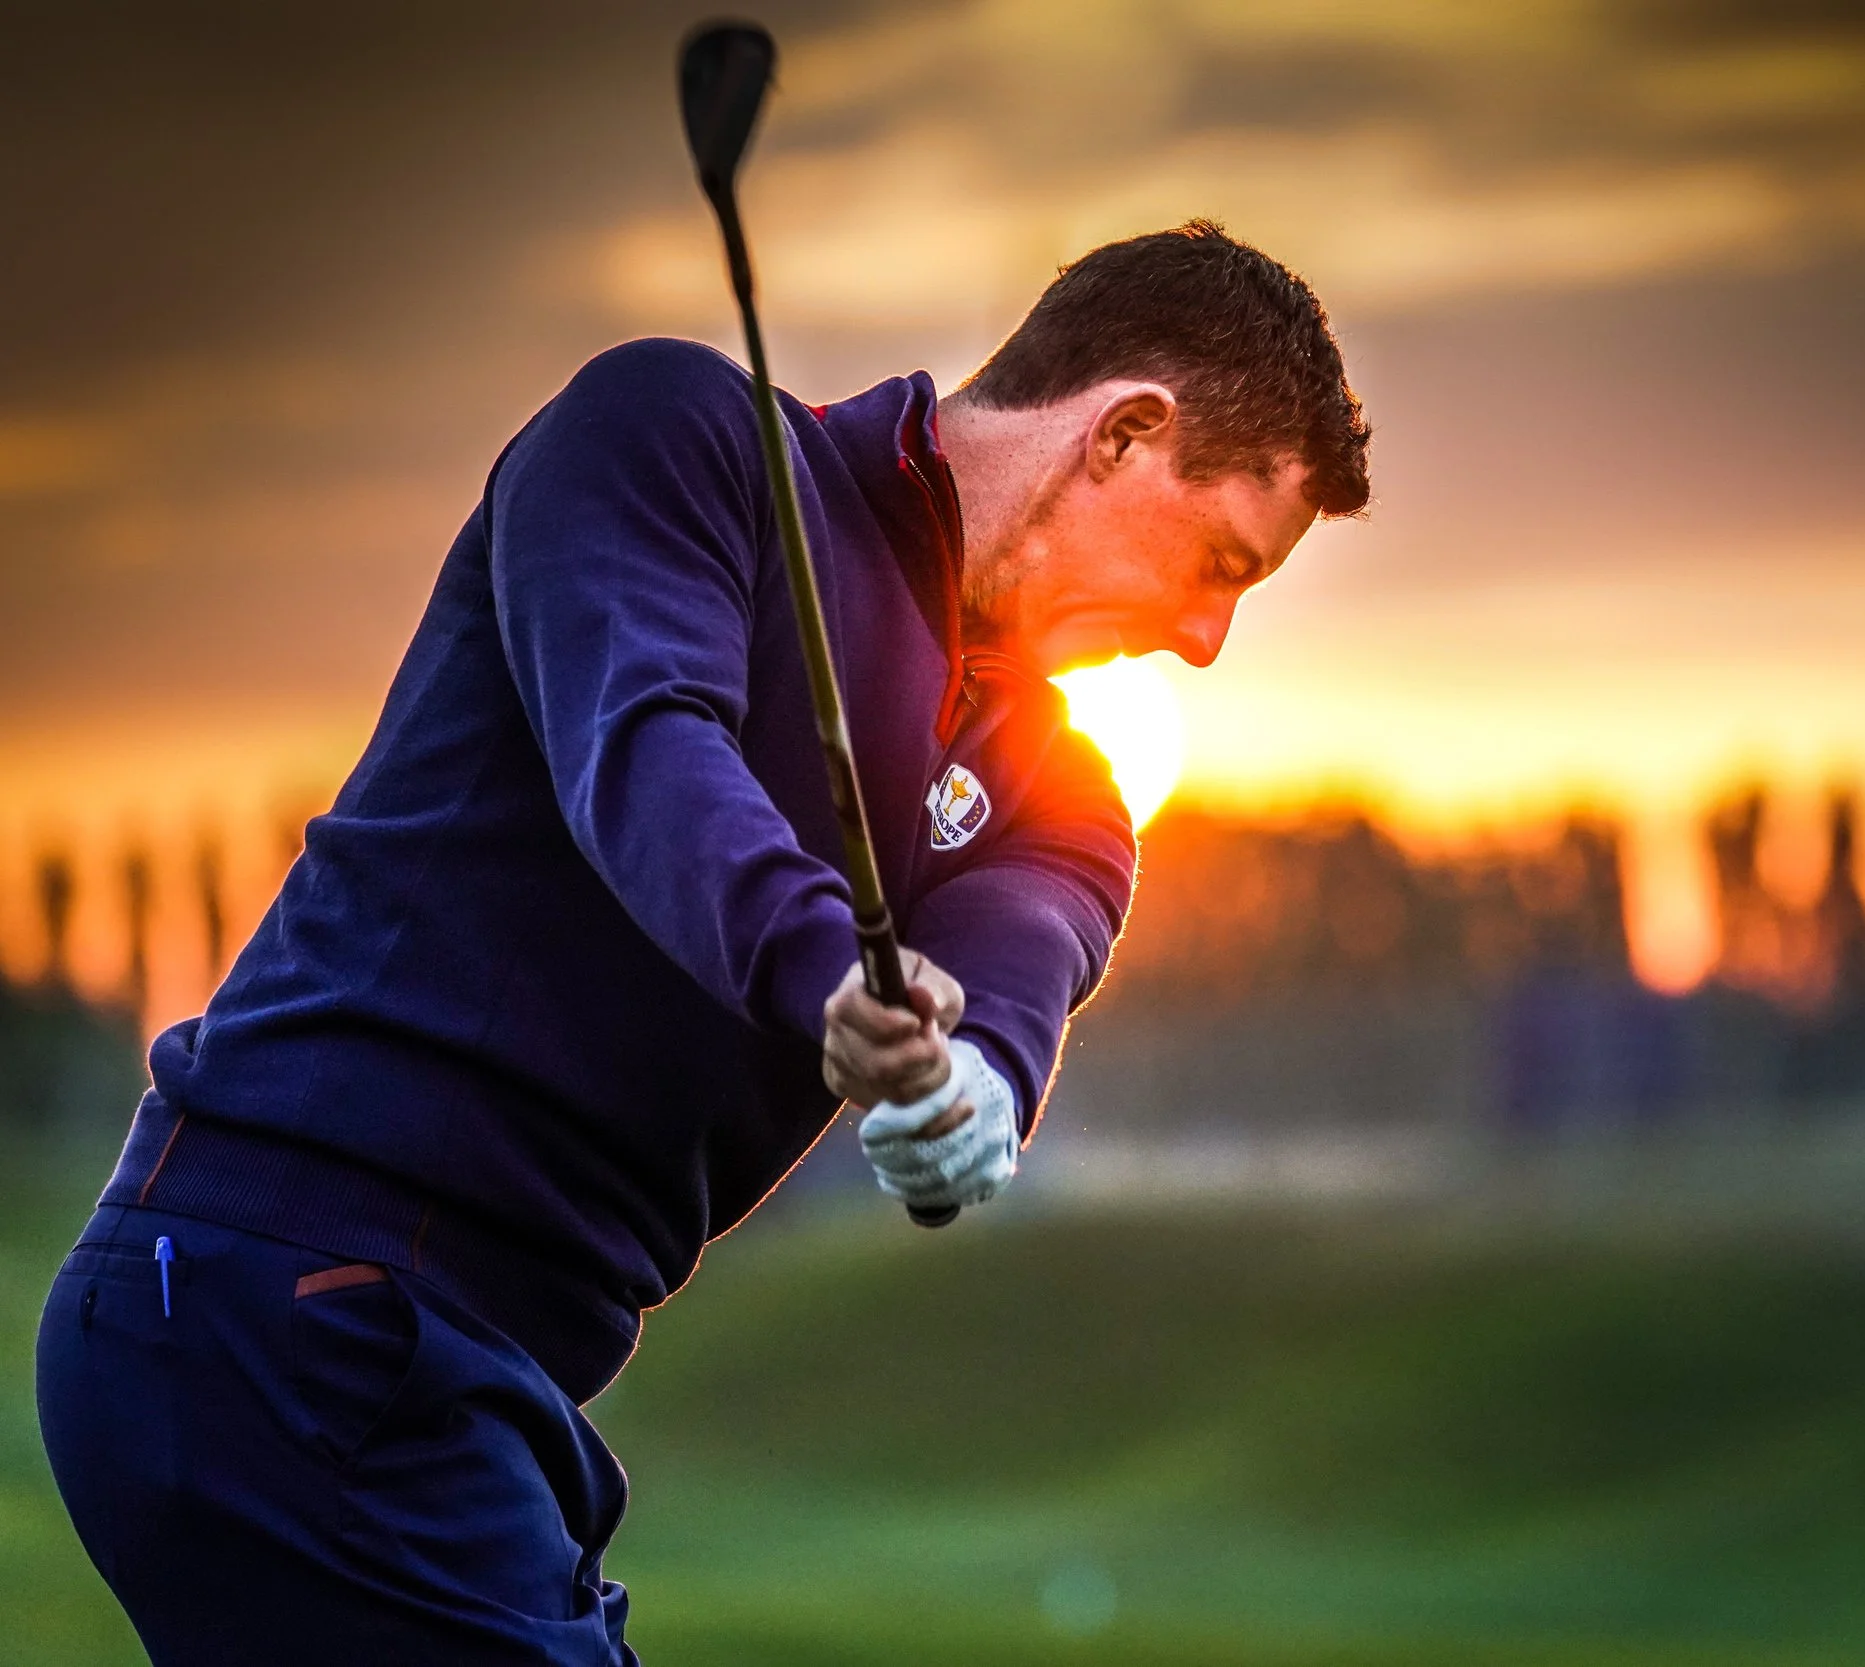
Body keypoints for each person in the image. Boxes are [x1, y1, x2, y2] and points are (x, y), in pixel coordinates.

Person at [35, 220, 1371, 1666]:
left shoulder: (1069, 791)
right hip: (276, 1293)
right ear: (1120, 435)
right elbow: (647, 754)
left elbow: (1029, 948)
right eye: (1219, 563)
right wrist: (824, 970)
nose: (1207, 639)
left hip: (479, 1374)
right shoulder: (676, 442)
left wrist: (970, 1082)